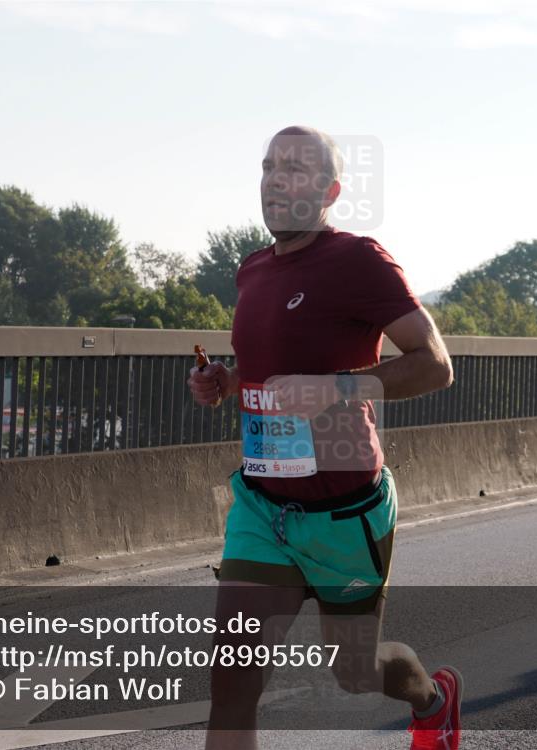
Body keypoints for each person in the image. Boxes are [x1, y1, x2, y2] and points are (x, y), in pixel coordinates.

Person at [188, 125, 461, 750]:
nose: (276, 179)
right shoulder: (252, 269)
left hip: (345, 512)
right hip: (263, 507)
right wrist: (226, 383)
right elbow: (271, 371)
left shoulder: (357, 260)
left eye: (295, 169)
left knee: (356, 671)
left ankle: (433, 700)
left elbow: (436, 363)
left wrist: (337, 388)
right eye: (268, 167)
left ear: (330, 189)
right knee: (231, 680)